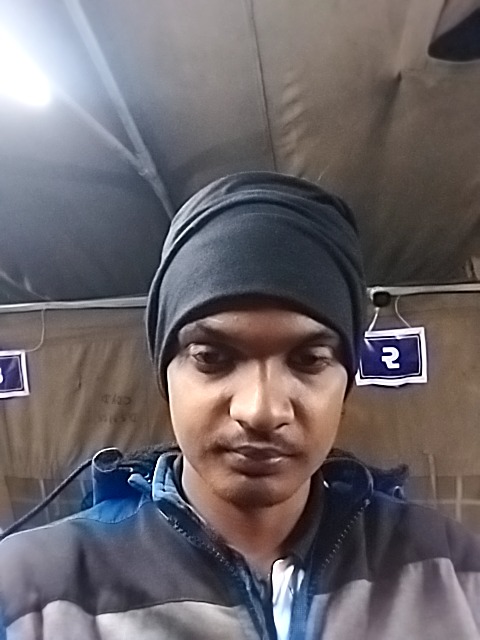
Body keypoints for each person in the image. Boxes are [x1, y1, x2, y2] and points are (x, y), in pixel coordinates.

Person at [1, 172, 479, 640]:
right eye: (213, 358)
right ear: (165, 374)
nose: (261, 410)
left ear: (347, 379)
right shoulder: (28, 593)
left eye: (309, 359)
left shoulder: (457, 573)